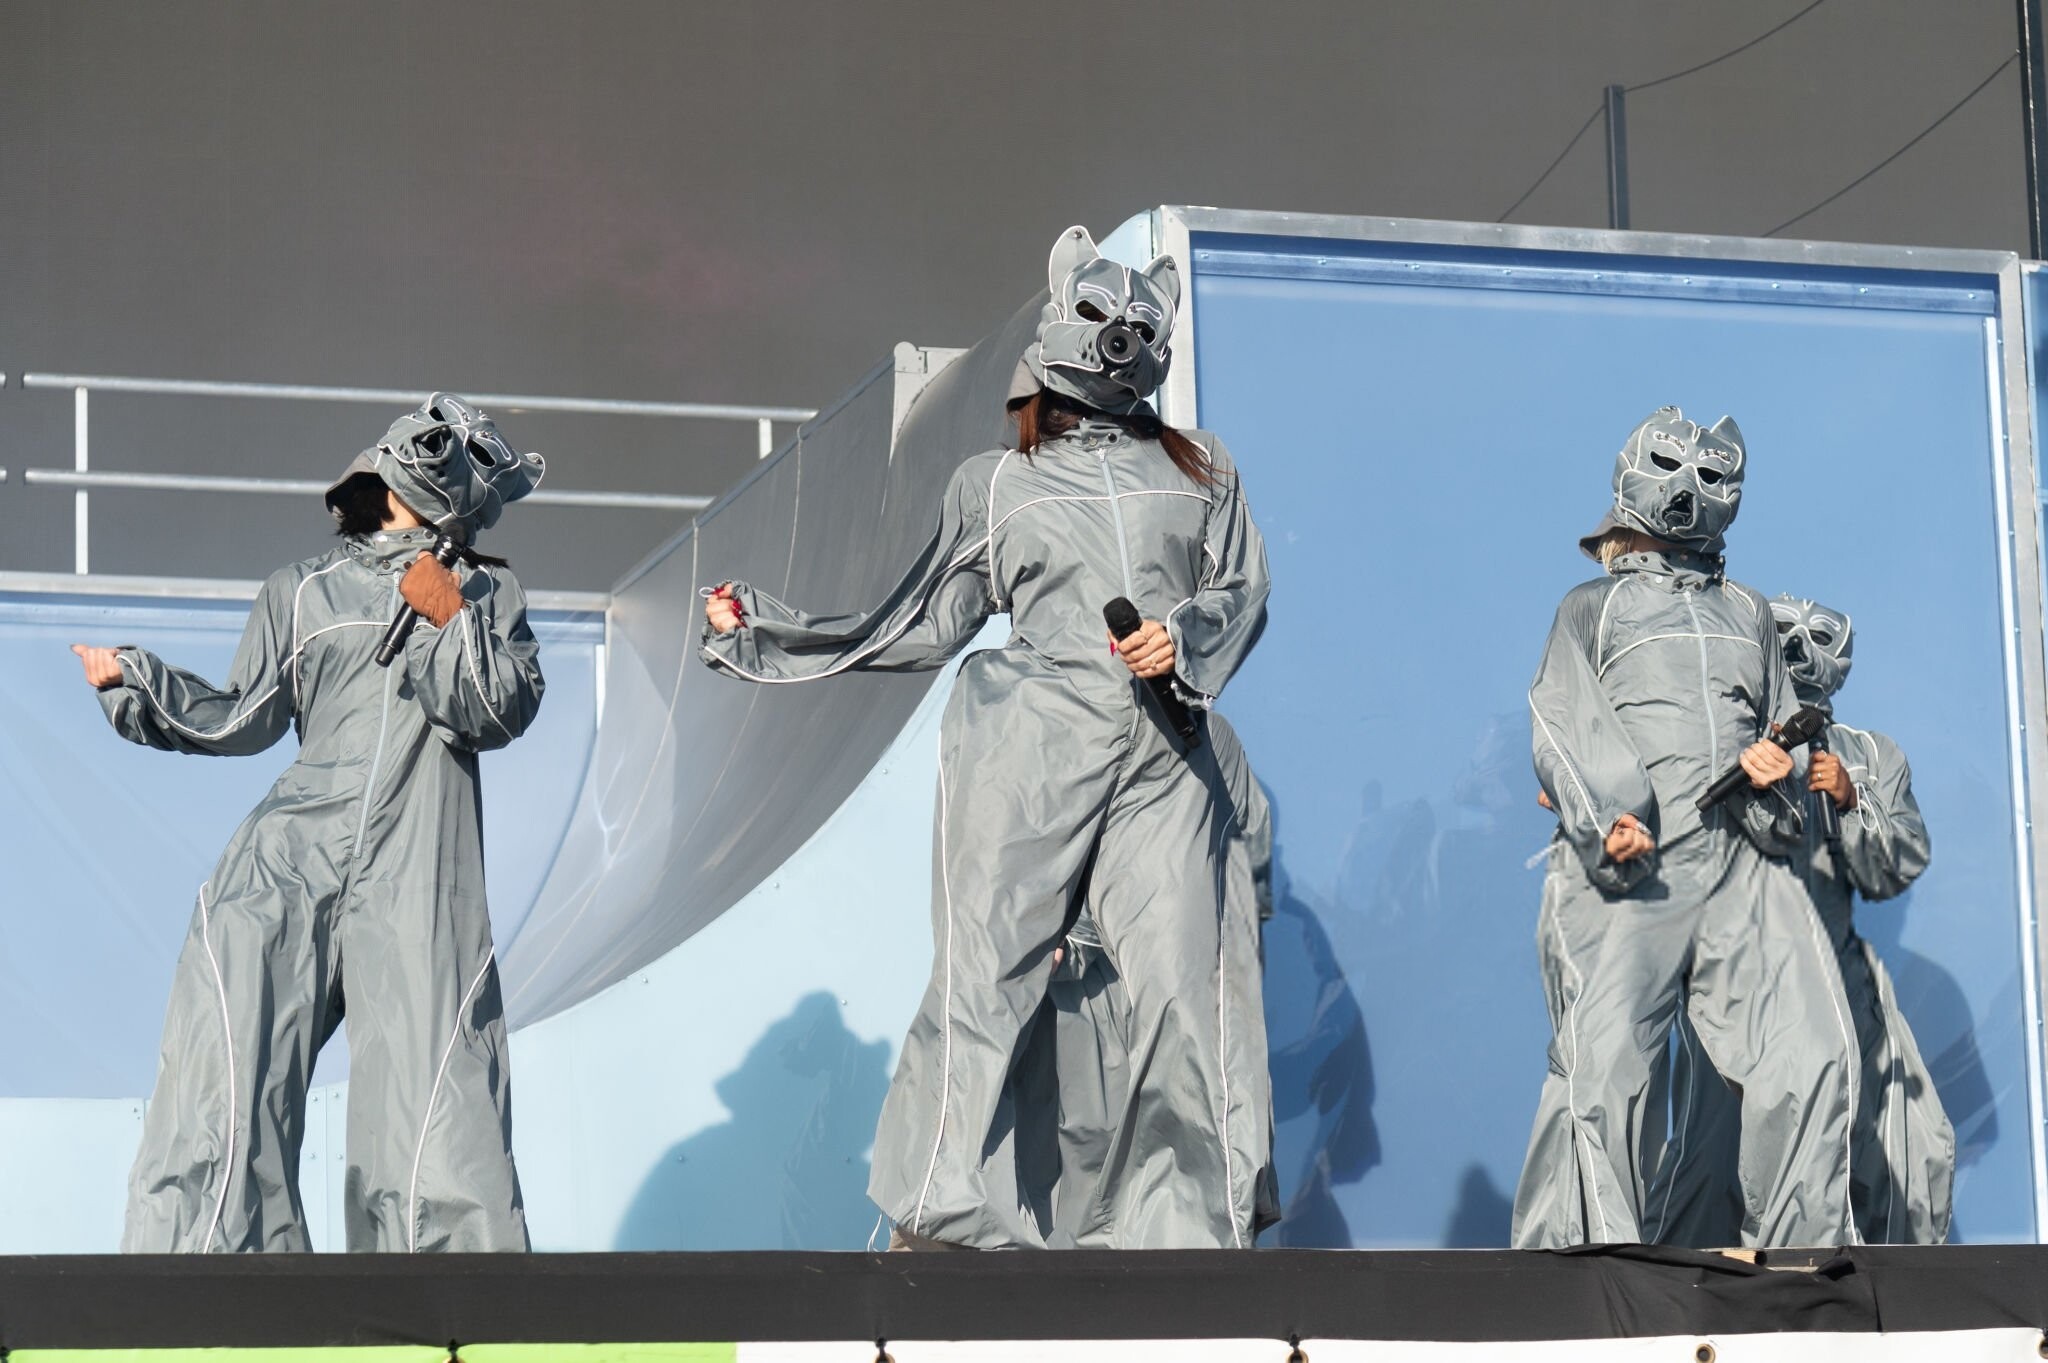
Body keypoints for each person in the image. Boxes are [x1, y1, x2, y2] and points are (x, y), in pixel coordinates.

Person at [703, 225, 1271, 1249]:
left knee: (1183, 986)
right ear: (1059, 324)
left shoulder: (1204, 470)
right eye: (1100, 317)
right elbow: (921, 617)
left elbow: (1241, 587)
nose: (1122, 338)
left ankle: (1184, 1229)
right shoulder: (995, 483)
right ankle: (945, 1211)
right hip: (1029, 746)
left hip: (1164, 753)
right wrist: (768, 635)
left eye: (1141, 325)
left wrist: (1181, 636)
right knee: (987, 972)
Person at [73, 394, 545, 1252]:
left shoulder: (489, 590)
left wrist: (449, 613)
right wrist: (135, 684)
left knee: (435, 1088)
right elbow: (241, 714)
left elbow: (497, 710)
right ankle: (213, 1280)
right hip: (292, 853)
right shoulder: (302, 590)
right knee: (227, 1056)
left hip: (418, 863)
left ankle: (442, 1297)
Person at [1513, 406, 1859, 1249]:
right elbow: (1560, 715)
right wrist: (1611, 817)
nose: (1689, 490)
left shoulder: (1748, 612)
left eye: (1709, 475)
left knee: (1809, 1048)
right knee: (1606, 1067)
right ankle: (1588, 1269)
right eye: (1673, 467)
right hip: (1634, 872)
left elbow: (1781, 733)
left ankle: (1797, 1262)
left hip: (1739, 868)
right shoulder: (1592, 608)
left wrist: (1773, 780)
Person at [1644, 596, 1953, 1246]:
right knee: (1713, 1148)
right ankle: (1675, 1290)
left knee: (1902, 1142)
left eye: (1819, 635)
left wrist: (1851, 799)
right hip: (1742, 971)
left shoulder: (1871, 753)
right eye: (1782, 630)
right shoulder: (1723, 740)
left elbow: (1896, 864)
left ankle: (1875, 1287)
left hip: (1840, 971)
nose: (1797, 648)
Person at [1008, 713, 1280, 1248]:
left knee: (1125, 1141)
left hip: (1127, 983)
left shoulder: (1176, 732)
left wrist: (1065, 937)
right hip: (1129, 984)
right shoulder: (1187, 730)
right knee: (1117, 1142)